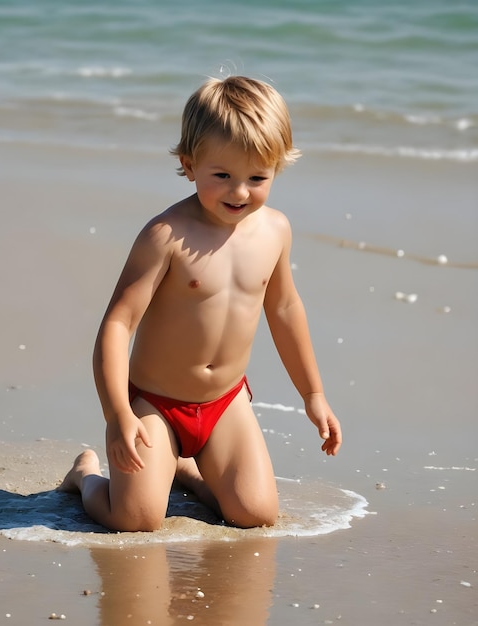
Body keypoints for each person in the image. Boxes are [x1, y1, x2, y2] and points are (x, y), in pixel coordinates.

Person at [59, 75, 342, 531]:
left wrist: (313, 394)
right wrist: (118, 417)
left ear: (277, 169)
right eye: (223, 176)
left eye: (257, 178)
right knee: (134, 519)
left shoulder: (275, 232)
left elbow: (285, 309)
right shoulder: (165, 236)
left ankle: (185, 471)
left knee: (255, 515)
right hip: (155, 405)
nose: (240, 192)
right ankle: (86, 477)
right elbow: (117, 325)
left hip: (224, 403)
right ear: (189, 165)